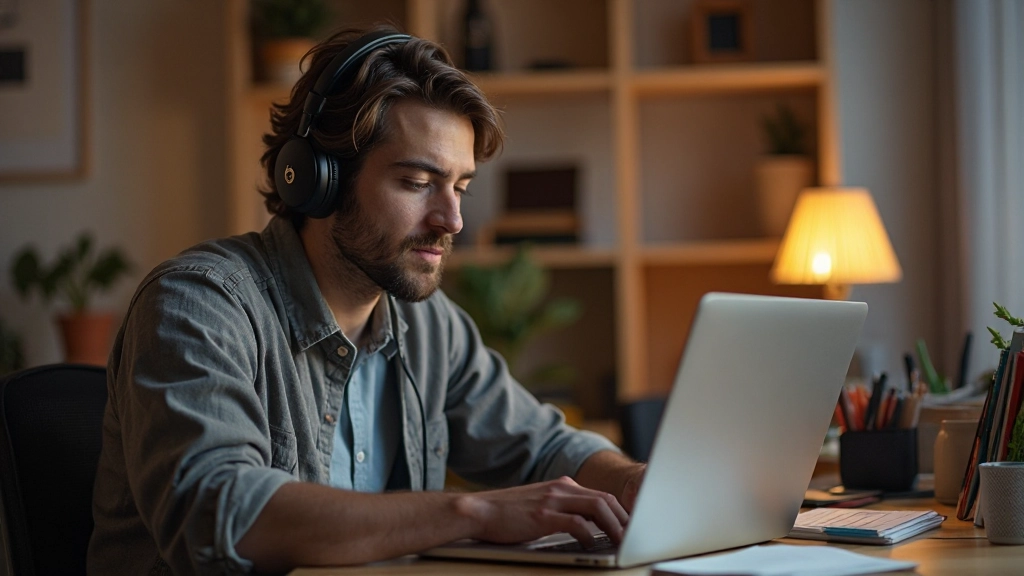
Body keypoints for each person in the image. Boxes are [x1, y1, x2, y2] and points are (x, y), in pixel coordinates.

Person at [88, 26, 644, 575]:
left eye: (461, 188)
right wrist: (472, 511)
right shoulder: (199, 305)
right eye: (418, 182)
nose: (452, 220)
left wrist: (629, 481)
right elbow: (224, 515)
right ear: (317, 179)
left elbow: (544, 447)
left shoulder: (429, 327)